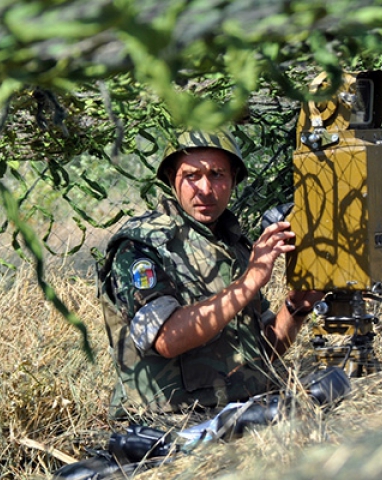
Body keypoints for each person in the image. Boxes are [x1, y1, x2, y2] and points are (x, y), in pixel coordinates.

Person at [98, 129, 322, 417]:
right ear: (171, 179)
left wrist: (296, 307)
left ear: (232, 181)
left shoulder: (231, 243)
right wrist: (251, 279)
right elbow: (167, 338)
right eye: (192, 175)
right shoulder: (142, 245)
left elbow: (262, 351)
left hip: (244, 411)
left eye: (217, 175)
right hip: (169, 425)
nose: (205, 188)